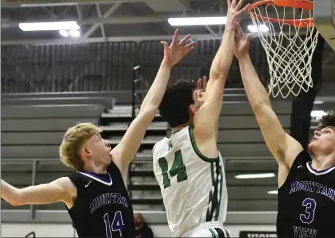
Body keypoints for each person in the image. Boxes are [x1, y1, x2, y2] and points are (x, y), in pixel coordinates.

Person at [1, 30, 195, 238]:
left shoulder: (116, 165)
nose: (108, 142)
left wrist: (166, 64)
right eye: (99, 139)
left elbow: (146, 112)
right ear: (86, 150)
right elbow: (16, 196)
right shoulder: (70, 186)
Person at [233, 27, 335, 238]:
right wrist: (243, 58)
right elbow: (261, 107)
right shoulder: (292, 160)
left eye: (327, 131)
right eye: (319, 129)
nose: (318, 132)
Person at [152, 0, 249, 237]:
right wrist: (228, 27)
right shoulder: (201, 134)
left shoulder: (158, 150)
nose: (203, 97)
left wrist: (200, 105)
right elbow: (218, 75)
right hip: (206, 231)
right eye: (198, 97)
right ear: (192, 109)